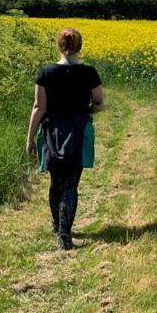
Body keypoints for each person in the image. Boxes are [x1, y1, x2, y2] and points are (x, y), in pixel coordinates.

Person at [26, 28, 104, 250]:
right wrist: (82, 110)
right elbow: (99, 104)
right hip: (77, 131)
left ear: (59, 46)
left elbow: (39, 107)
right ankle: (64, 236)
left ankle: (56, 223)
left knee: (55, 181)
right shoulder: (89, 73)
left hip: (52, 131)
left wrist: (30, 138)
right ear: (79, 46)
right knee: (71, 183)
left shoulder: (46, 73)